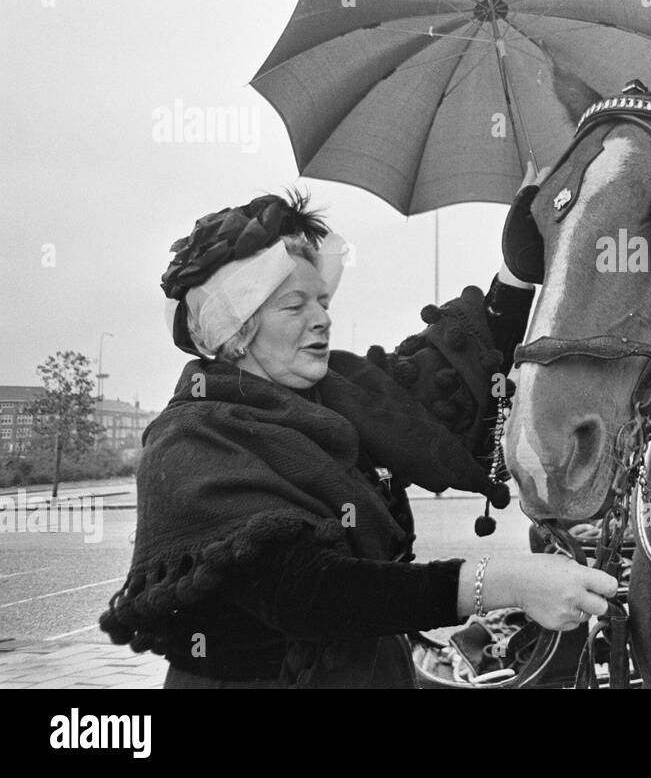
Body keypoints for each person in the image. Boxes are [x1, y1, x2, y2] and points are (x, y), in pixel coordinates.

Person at [100, 188, 616, 688]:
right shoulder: (193, 439)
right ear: (235, 331)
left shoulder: (340, 397)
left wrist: (517, 273)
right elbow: (308, 594)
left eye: (322, 301)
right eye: (294, 306)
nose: (322, 319)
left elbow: (449, 379)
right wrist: (509, 582)